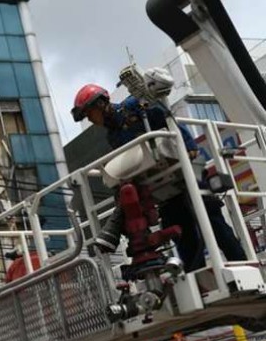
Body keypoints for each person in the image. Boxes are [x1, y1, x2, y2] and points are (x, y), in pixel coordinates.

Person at [71, 84, 247, 271]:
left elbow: (167, 118)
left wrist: (189, 145)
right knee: (182, 234)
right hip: (162, 186)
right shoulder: (113, 136)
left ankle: (242, 265)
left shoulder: (133, 106)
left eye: (89, 114)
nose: (91, 119)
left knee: (213, 222)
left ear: (100, 104)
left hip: (183, 171)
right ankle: (197, 280)